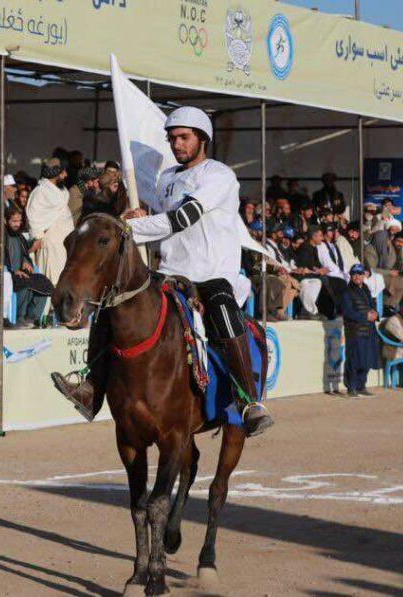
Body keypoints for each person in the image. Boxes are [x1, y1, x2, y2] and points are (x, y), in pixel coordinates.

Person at [52, 106, 273, 436]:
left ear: (202, 139)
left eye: (184, 137)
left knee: (224, 309)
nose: (177, 144)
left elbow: (184, 217)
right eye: (172, 139)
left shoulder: (219, 175)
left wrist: (127, 229)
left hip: (211, 273)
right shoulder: (168, 178)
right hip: (169, 271)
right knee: (112, 306)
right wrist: (142, 213)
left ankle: (248, 399)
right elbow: (164, 217)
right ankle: (91, 388)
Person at [26, 158, 75, 288]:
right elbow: (33, 218)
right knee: (51, 283)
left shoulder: (62, 191)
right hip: (51, 246)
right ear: (55, 173)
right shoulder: (40, 192)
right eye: (63, 173)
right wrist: (38, 238)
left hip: (64, 245)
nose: (65, 175)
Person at [3, 210, 49, 327]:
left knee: (44, 284)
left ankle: (32, 318)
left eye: (19, 221)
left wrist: (26, 262)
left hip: (22, 272)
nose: (17, 224)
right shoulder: (3, 236)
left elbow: (25, 253)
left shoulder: (19, 236)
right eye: (14, 221)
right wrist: (13, 270)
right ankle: (20, 317)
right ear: (6, 221)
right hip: (8, 273)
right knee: (23, 283)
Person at [339, 264, 379, 397]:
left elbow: (372, 304)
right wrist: (364, 316)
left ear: (363, 275)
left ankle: (361, 386)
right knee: (354, 359)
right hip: (354, 330)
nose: (357, 276)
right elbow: (347, 311)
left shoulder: (366, 288)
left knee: (366, 360)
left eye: (360, 274)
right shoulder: (347, 291)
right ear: (351, 276)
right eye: (354, 274)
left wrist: (375, 313)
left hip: (368, 329)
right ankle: (351, 388)